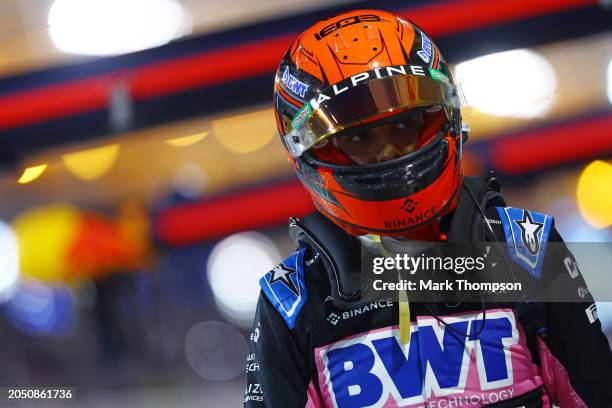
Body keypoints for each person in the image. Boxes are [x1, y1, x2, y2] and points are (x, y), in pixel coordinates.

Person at [243, 9, 612, 408]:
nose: (388, 152)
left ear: (447, 116)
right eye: (361, 137)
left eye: (405, 126)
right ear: (311, 153)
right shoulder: (291, 298)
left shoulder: (527, 247)